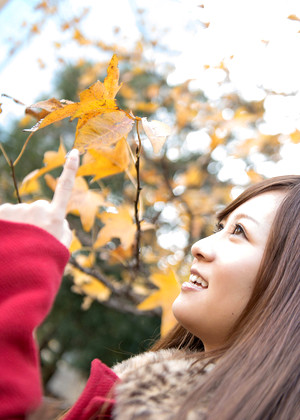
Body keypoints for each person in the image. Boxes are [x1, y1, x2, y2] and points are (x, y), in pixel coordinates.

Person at [0, 148, 299, 420]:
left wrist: (19, 274)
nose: (199, 245)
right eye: (219, 227)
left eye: (239, 231)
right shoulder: (129, 398)